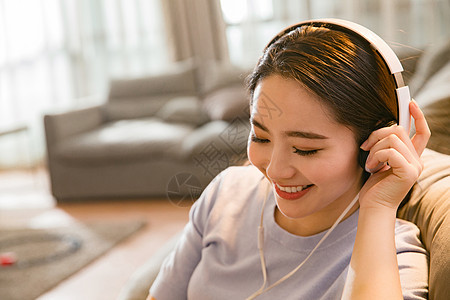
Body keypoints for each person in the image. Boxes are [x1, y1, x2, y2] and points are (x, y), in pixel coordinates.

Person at [148, 20, 431, 299]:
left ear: (372, 143)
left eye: (305, 149)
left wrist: (379, 207)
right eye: (261, 137)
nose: (274, 170)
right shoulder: (226, 192)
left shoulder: (392, 254)